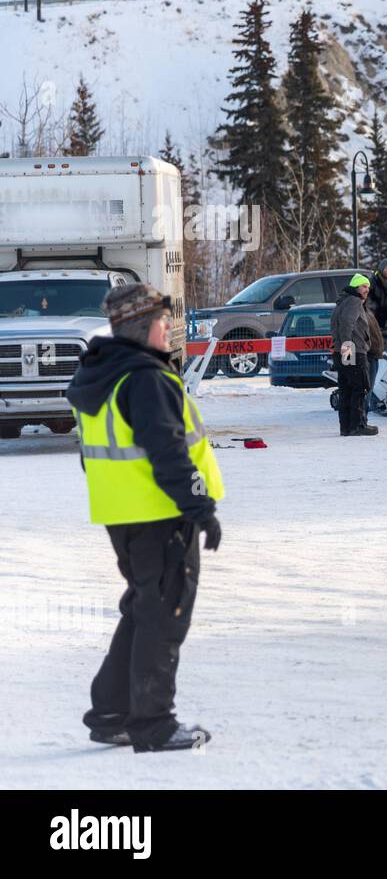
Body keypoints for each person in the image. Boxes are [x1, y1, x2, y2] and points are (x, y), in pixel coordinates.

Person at [65, 283, 222, 752]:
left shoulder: (104, 373)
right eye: (162, 323)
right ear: (145, 327)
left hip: (125, 515)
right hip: (161, 516)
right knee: (165, 615)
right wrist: (201, 509)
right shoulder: (147, 378)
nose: (168, 330)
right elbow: (169, 453)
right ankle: (152, 723)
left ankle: (111, 711)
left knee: (143, 609)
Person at [331, 273, 377, 436]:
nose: (366, 290)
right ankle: (357, 425)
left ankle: (346, 427)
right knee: (360, 387)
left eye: (368, 287)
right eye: (364, 286)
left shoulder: (343, 301)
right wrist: (347, 346)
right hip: (353, 351)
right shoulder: (354, 301)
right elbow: (346, 324)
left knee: (346, 389)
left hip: (343, 351)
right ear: (356, 286)